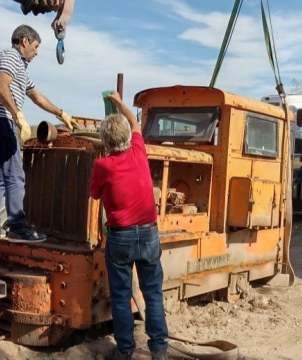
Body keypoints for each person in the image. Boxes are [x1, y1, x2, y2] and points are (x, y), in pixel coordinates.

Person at [0, 24, 76, 241]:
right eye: (36, 46)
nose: (37, 52)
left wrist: (62, 114)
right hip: (0, 122)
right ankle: (18, 227)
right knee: (15, 176)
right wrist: (18, 115)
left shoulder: (21, 68)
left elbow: (37, 97)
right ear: (25, 41)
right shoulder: (11, 57)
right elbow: (1, 87)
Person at [89, 92, 169, 360]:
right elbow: (135, 124)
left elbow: (94, 195)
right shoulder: (139, 150)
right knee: (153, 294)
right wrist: (120, 101)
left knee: (122, 298)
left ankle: (125, 352)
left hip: (120, 238)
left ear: (105, 142)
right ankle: (159, 351)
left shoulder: (102, 165)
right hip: (148, 234)